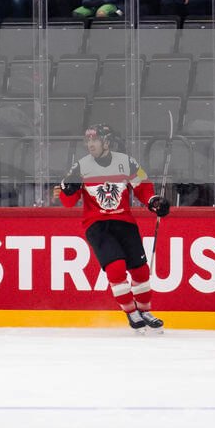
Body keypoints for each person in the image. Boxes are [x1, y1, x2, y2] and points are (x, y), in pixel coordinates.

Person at [56, 125, 167, 333]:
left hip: (125, 222)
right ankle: (131, 312)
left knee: (140, 270)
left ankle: (145, 311)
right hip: (97, 225)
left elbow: (142, 187)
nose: (90, 145)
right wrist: (67, 190)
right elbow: (68, 201)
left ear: (106, 142)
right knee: (116, 268)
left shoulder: (126, 162)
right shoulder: (80, 166)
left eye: (95, 140)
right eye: (88, 141)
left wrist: (154, 201)